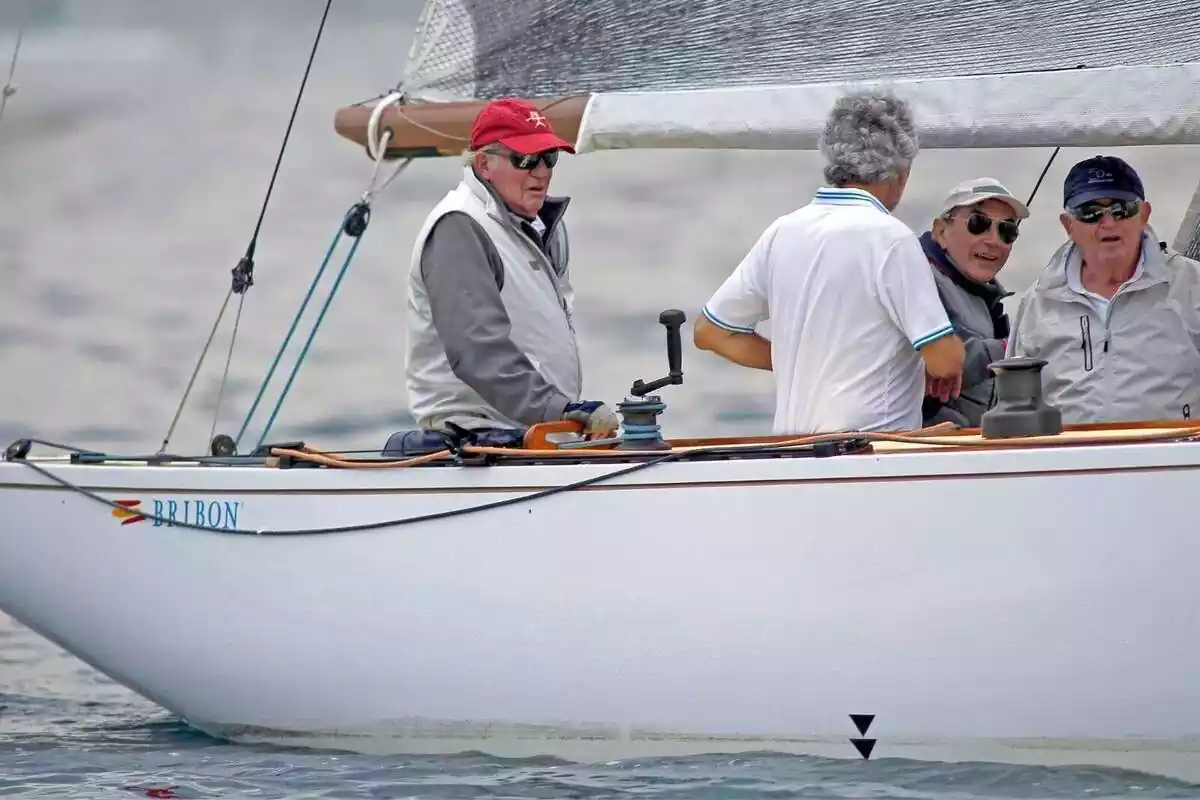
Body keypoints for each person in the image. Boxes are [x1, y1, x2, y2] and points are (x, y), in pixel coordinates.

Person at [692, 91, 965, 434]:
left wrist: (800, 362)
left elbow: (711, 332)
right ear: (900, 170)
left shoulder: (783, 231)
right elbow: (945, 360)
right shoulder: (891, 239)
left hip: (793, 455)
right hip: (870, 457)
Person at [403, 97, 618, 436]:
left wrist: (564, 414)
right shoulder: (459, 226)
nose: (542, 172)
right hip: (475, 439)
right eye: (525, 159)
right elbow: (478, 353)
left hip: (531, 433)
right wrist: (561, 409)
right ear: (484, 164)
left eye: (549, 157)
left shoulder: (539, 225)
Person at [1007, 155, 1200, 423]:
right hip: (1069, 462)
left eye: (1122, 209)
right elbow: (1016, 406)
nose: (1108, 223)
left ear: (1144, 215)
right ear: (1068, 225)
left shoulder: (1193, 285)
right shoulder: (1037, 302)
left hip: (1173, 461)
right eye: (1090, 212)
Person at [919, 177, 1028, 428]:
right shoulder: (917, 279)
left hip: (971, 451)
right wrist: (1017, 348)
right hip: (927, 453)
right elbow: (934, 363)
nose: (994, 241)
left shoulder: (981, 294)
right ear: (941, 231)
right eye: (978, 223)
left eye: (1007, 230)